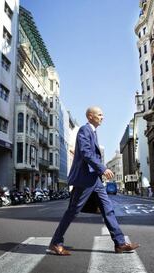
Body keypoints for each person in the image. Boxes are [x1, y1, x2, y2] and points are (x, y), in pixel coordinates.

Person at [48, 106, 139, 256]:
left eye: (102, 115)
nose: (102, 117)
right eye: (99, 115)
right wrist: (102, 168)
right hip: (85, 179)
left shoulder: (93, 132)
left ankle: (120, 243)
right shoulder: (85, 130)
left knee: (108, 209)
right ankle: (56, 242)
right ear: (90, 116)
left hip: (94, 179)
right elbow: (86, 153)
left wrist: (99, 172)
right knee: (72, 211)